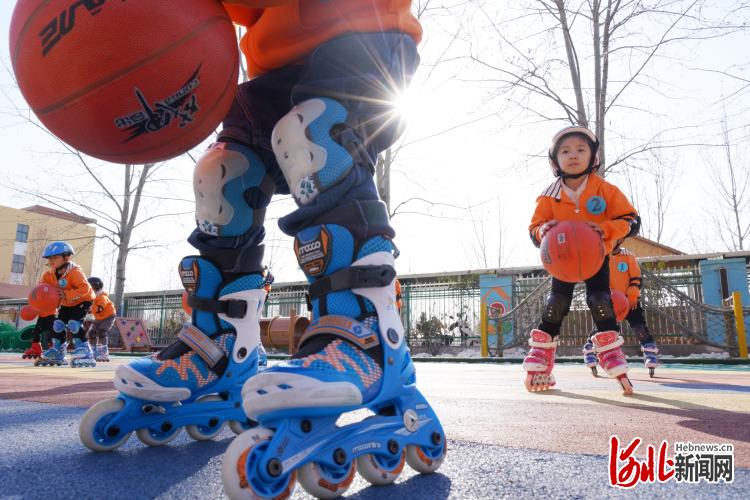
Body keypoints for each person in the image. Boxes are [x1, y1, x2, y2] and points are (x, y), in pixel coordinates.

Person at [93, 2, 446, 487]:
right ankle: (221, 349)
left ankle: (368, 337)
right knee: (223, 176)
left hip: (360, 28)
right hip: (272, 62)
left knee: (315, 135)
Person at [526, 126, 641, 394]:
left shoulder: (605, 189)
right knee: (556, 302)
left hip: (596, 256)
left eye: (581, 150)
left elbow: (631, 220)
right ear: (555, 161)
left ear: (593, 157)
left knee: (600, 299)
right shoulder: (549, 195)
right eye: (565, 151)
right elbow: (534, 227)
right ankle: (544, 354)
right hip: (562, 259)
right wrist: (543, 232)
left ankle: (610, 350)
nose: (573, 155)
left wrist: (608, 231)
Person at [582, 243, 660, 377]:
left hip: (629, 300)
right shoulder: (601, 257)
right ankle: (590, 348)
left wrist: (633, 295)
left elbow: (636, 277)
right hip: (610, 301)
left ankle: (650, 353)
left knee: (639, 326)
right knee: (604, 329)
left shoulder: (628, 256)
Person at [34, 241, 96, 367]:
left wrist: (67, 295)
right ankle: (58, 350)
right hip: (67, 303)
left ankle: (85, 349)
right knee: (57, 324)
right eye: (50, 258)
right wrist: (39, 299)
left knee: (74, 324)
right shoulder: (49, 274)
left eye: (55, 258)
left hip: (83, 300)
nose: (52, 261)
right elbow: (42, 287)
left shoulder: (75, 272)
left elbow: (85, 289)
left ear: (67, 257)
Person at [86, 277, 116, 362]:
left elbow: (100, 308)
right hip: (99, 318)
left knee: (101, 332)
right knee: (91, 333)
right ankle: (92, 351)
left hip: (108, 316)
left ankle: (103, 353)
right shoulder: (92, 297)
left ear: (94, 288)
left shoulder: (102, 297)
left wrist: (90, 308)